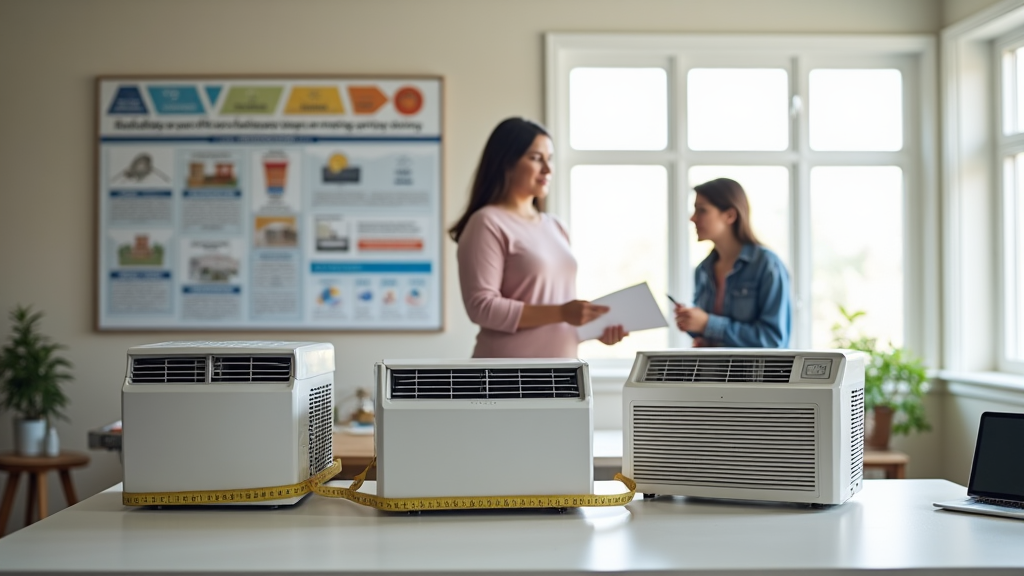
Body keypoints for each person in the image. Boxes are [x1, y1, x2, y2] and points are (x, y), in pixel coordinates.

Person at [450, 117, 627, 358]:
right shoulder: (487, 222)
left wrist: (593, 328)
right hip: (507, 376)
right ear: (506, 162)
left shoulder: (556, 226)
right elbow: (481, 307)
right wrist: (562, 313)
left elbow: (557, 308)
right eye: (535, 158)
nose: (547, 168)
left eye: (550, 159)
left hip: (563, 375)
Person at [675, 178, 791, 348]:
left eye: (702, 210)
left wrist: (707, 324)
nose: (692, 218)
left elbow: (773, 340)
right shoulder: (702, 270)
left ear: (730, 215)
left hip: (753, 375)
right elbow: (709, 334)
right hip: (712, 374)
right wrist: (692, 323)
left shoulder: (767, 265)